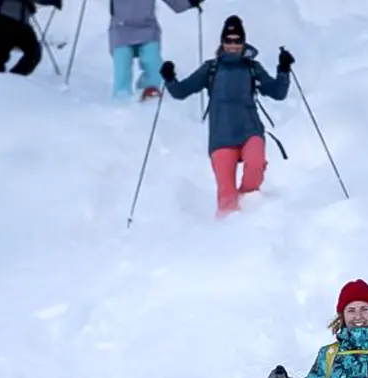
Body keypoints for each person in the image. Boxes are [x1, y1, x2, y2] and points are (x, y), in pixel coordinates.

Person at [160, 15, 294, 217]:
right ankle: (227, 235)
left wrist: (283, 70)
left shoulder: (251, 67)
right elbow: (181, 92)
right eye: (229, 40)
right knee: (227, 195)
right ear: (222, 42)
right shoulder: (211, 69)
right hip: (221, 138)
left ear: (243, 42)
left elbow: (278, 93)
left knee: (255, 166)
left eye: (237, 40)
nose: (233, 45)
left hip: (250, 131)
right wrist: (170, 78)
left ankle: (250, 208)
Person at [108, 0, 202, 102]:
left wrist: (189, 2)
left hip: (147, 30)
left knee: (154, 64)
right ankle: (121, 100)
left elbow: (175, 3)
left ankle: (148, 90)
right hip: (120, 30)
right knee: (122, 67)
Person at [0, 0, 50, 76]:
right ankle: (9, 80)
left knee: (1, 52)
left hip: (2, 14)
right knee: (32, 51)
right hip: (9, 14)